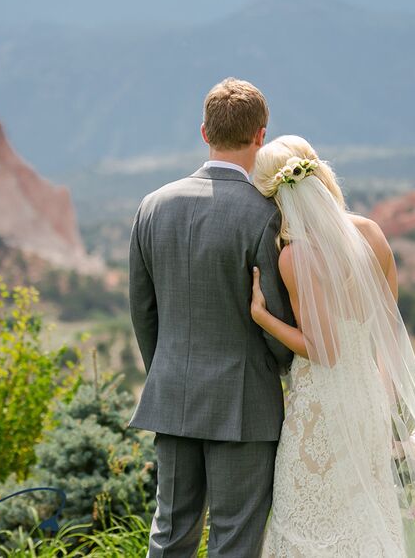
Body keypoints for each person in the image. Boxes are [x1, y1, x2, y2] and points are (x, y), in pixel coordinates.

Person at [249, 135, 415, 556]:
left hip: (319, 412)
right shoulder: (370, 234)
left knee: (306, 523)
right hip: (368, 400)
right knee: (367, 518)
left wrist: (263, 317)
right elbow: (389, 326)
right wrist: (386, 394)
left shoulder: (296, 256)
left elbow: (324, 350)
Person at [127, 77, 295, 557]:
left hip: (173, 397)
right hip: (245, 406)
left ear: (204, 132)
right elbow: (275, 319)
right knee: (234, 541)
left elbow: (143, 310)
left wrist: (168, 371)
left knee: (170, 534)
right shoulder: (265, 215)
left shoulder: (151, 207)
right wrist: (286, 366)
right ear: (261, 135)